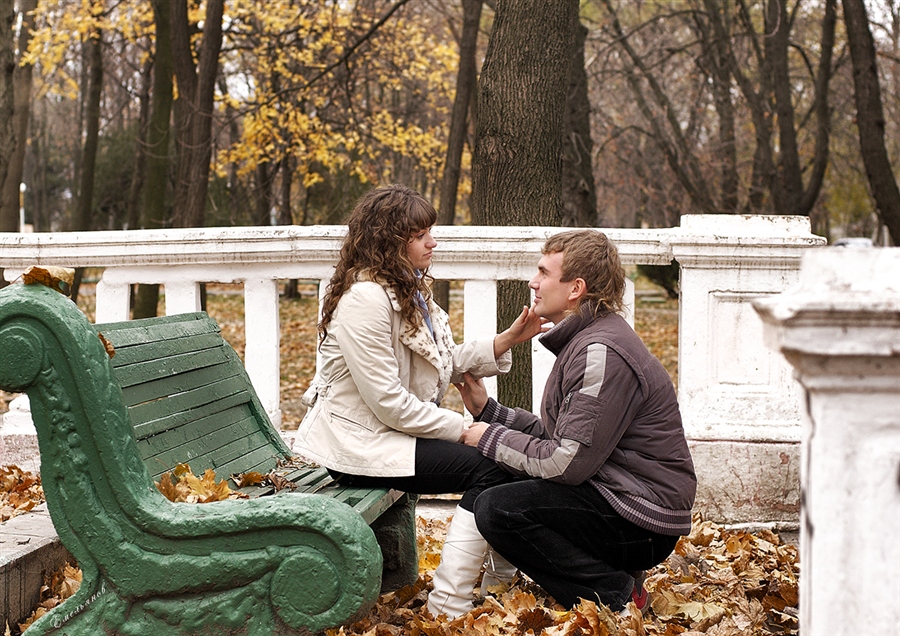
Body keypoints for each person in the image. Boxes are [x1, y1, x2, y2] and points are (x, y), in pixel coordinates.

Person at [292, 184, 546, 618]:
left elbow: (438, 362)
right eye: (420, 234)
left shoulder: (405, 289)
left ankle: (499, 582)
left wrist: (505, 341)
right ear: (388, 240)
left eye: (431, 231)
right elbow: (388, 402)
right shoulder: (365, 300)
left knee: (503, 458)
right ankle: (448, 603)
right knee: (493, 461)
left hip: (392, 435)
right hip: (361, 445)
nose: (432, 241)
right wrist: (465, 431)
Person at [456, 229, 696, 615]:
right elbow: (561, 439)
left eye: (543, 273)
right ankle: (613, 579)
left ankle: (615, 594)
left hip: (641, 520)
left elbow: (564, 462)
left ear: (575, 289)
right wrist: (491, 413)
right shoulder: (590, 340)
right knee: (503, 479)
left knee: (499, 509)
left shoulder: (600, 352)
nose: (533, 282)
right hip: (619, 498)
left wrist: (491, 437)